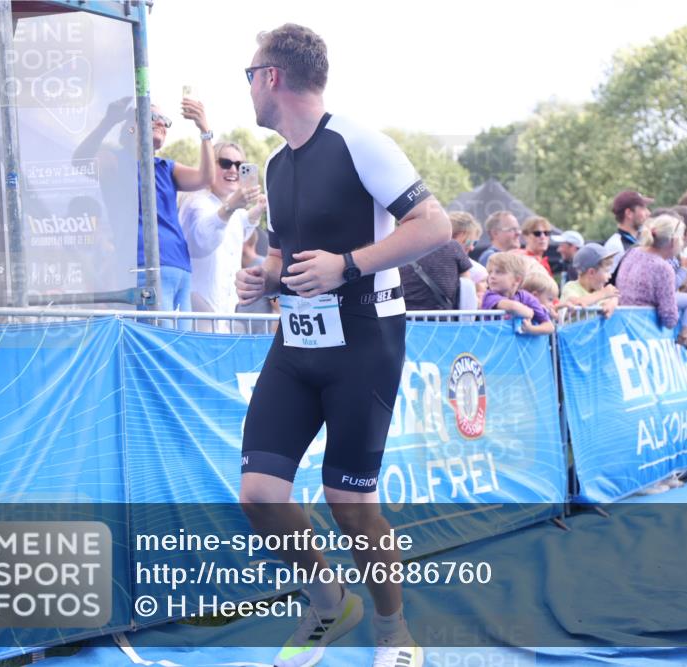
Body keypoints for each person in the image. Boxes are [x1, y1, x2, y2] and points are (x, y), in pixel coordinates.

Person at [234, 24, 451, 667]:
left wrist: (347, 265)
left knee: (350, 503)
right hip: (296, 342)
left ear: (271, 76)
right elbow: (283, 257)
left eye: (248, 73)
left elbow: (434, 223)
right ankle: (330, 603)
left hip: (365, 340)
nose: (246, 86)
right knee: (259, 494)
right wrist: (262, 279)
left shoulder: (360, 142)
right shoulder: (275, 164)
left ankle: (394, 634)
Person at [74, 96, 215, 328]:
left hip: (180, 268)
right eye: (153, 117)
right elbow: (81, 161)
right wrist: (108, 121)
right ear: (132, 126)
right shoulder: (116, 162)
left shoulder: (166, 167)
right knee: (159, 347)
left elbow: (206, 177)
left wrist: (204, 130)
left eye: (164, 120)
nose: (160, 123)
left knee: (180, 343)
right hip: (144, 267)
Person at [178, 141, 263, 331]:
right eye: (225, 163)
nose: (233, 169)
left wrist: (257, 210)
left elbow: (240, 228)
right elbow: (202, 241)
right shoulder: (196, 202)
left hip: (224, 308)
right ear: (210, 165)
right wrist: (230, 207)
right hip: (199, 307)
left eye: (239, 165)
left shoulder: (230, 208)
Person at [616, 214, 687, 357]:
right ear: (673, 241)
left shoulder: (633, 252)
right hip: (643, 330)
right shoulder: (662, 267)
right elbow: (669, 319)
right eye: (681, 238)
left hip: (623, 320)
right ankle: (686, 335)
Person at [399, 219, 472, 310]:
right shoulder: (452, 246)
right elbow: (467, 287)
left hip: (405, 317)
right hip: (442, 319)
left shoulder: (395, 249)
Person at [482, 252, 555, 335]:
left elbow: (549, 326)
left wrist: (532, 329)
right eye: (490, 272)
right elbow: (513, 307)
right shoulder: (489, 296)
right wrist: (529, 312)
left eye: (499, 272)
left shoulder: (525, 296)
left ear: (517, 280)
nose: (492, 276)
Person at [561, 243, 620, 318]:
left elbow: (615, 296)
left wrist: (612, 302)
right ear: (591, 272)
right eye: (606, 271)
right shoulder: (571, 287)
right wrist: (603, 294)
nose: (610, 276)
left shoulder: (599, 290)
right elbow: (574, 304)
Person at [604, 190, 653, 273]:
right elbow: (606, 282)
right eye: (643, 208)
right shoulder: (615, 246)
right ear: (629, 213)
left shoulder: (642, 240)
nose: (648, 213)